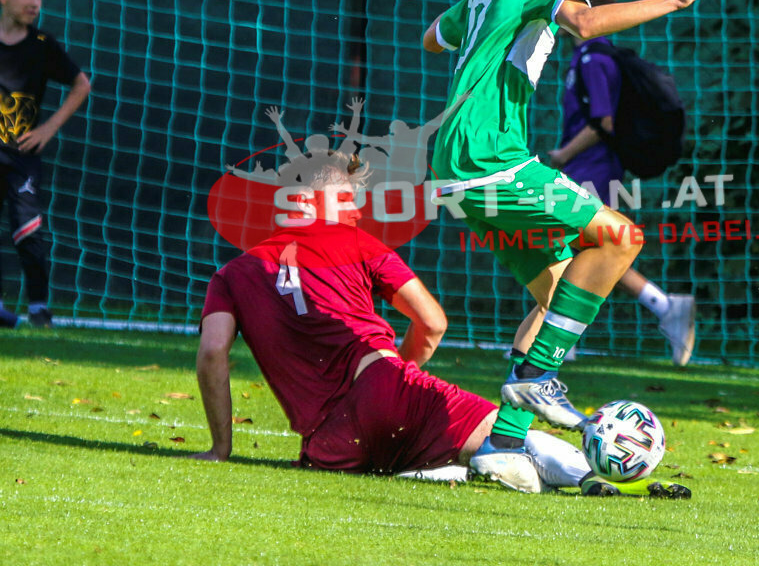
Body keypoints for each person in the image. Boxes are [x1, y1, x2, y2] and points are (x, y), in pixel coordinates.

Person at [421, 0, 730, 473]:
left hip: (454, 161)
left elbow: (433, 37)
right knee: (621, 238)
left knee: (557, 294)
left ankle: (505, 446)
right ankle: (538, 378)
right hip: (488, 155)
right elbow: (584, 24)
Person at [190, 155, 618, 495]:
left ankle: (445, 470)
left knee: (397, 460)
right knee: (508, 440)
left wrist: (220, 449)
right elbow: (432, 322)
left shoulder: (231, 275)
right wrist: (400, 376)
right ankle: (600, 477)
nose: (355, 212)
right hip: (389, 391)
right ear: (303, 202)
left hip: (331, 445)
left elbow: (212, 353)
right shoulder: (356, 242)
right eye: (343, 201)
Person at [548, 0, 696, 366]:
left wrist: (563, 154)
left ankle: (565, 335)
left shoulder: (594, 58)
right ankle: (662, 308)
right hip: (591, 167)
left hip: (591, 168)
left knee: (574, 247)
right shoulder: (588, 56)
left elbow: (604, 123)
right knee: (582, 248)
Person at [0, 0, 91, 329]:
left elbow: (82, 84)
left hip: (22, 156)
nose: (35, 2)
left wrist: (49, 128)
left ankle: (39, 308)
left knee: (27, 228)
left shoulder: (42, 45)